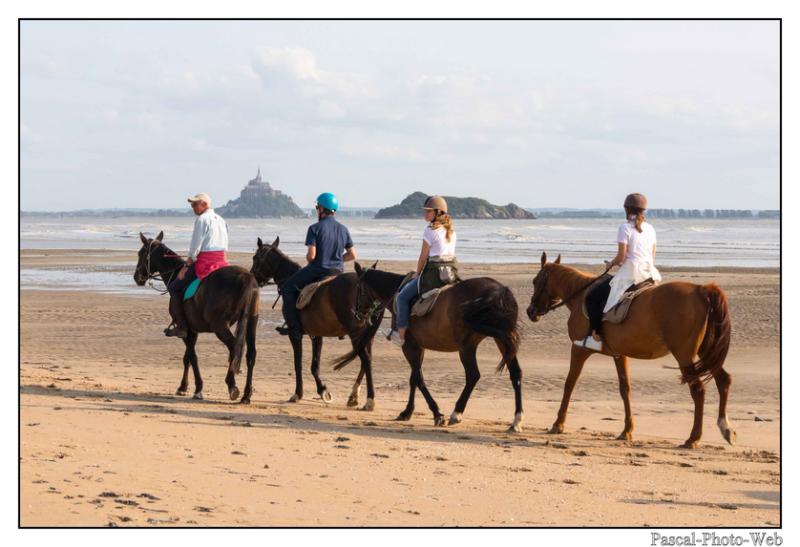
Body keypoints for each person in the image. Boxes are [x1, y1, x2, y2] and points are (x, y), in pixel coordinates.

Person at [576, 192, 662, 351]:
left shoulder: (625, 228)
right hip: (649, 273)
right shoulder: (650, 229)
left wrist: (611, 264)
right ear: (643, 210)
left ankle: (595, 336)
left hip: (631, 275)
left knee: (592, 298)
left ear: (626, 209)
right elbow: (652, 254)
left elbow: (622, 256)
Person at [278, 192, 356, 338]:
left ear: (321, 208)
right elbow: (352, 255)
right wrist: (336, 259)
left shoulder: (314, 228)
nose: (317, 210)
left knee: (287, 288)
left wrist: (315, 259)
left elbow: (311, 256)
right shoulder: (343, 229)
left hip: (318, 270)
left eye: (317, 207)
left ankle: (294, 328)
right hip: (338, 271)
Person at [388, 195, 457, 346]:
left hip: (433, 275)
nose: (425, 214)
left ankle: (401, 336)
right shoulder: (451, 231)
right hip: (450, 274)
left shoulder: (430, 231)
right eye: (425, 211)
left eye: (428, 211)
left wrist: (417, 274)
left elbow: (423, 257)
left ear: (438, 212)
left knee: (402, 297)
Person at [165, 193, 229, 338]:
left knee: (173, 287)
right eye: (192, 205)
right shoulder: (221, 219)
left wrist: (186, 266)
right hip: (222, 261)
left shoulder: (201, 219)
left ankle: (182, 327)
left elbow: (195, 247)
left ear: (204, 204)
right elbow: (225, 244)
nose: (193, 207)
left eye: (195, 204)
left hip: (206, 262)